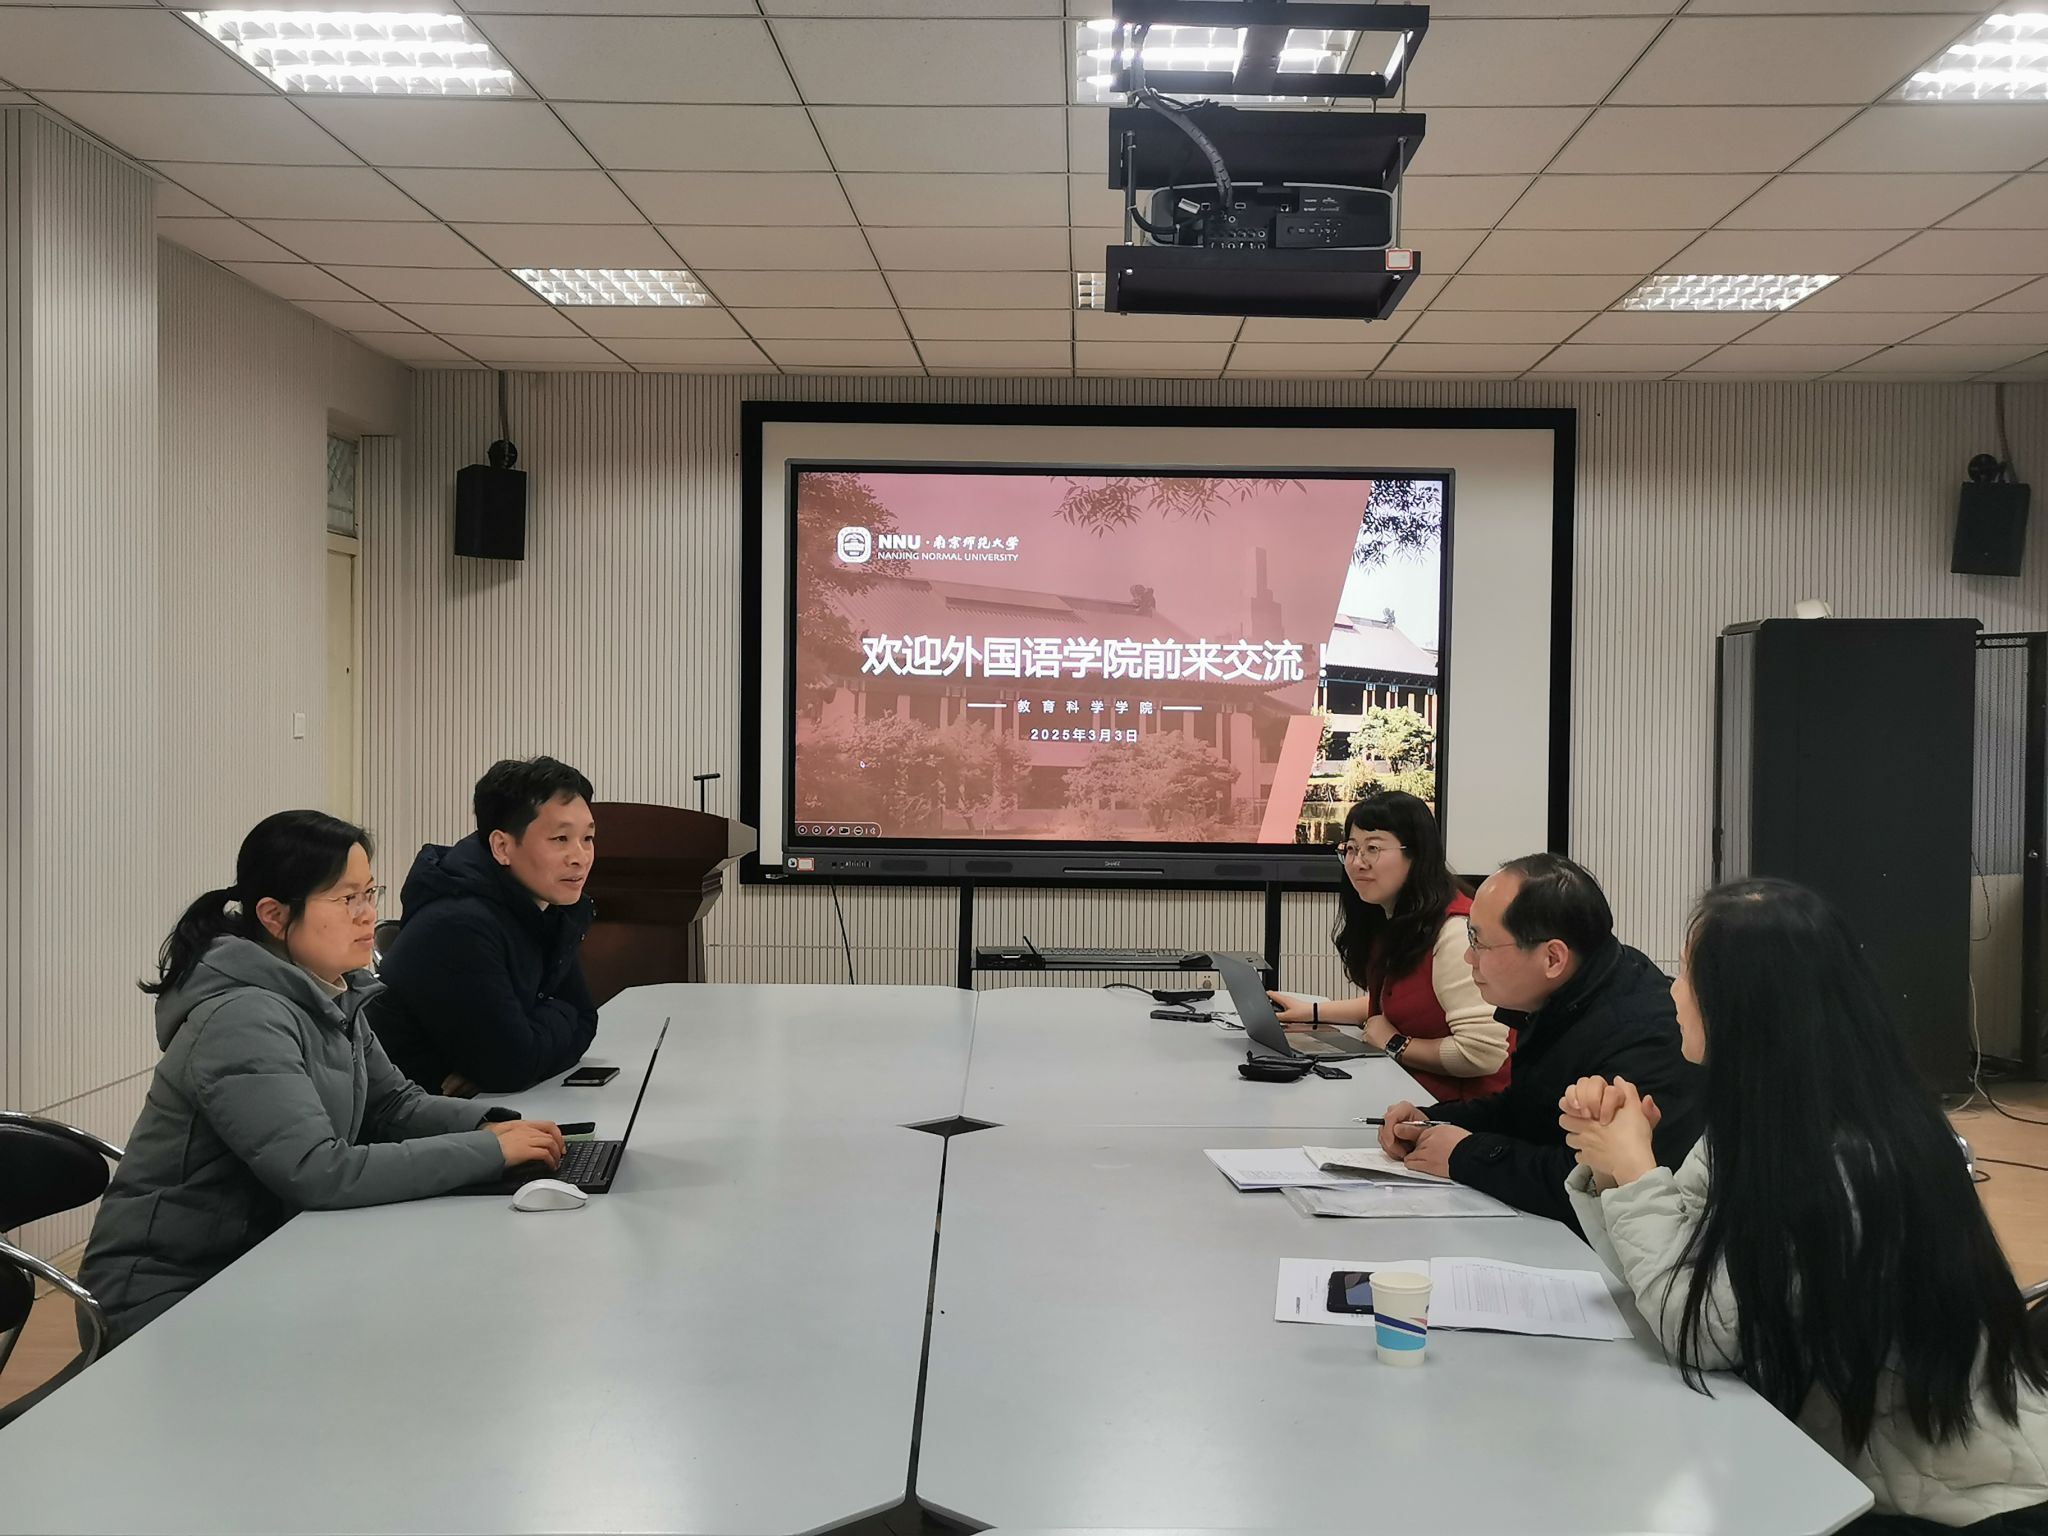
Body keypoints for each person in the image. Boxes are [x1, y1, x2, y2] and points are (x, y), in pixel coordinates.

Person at [1561, 880, 2048, 1531]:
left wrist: (1634, 1171)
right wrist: (1611, 1166)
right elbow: (1675, 1276)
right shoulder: (1773, 1113)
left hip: (1948, 1502)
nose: (1674, 991)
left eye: (1688, 974)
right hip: (1852, 1460)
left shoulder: (1846, 1157)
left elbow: (1697, 1331)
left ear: (1744, 1003)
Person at [78, 811, 564, 1346]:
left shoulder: (332, 992)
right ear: (274, 915)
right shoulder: (242, 1017)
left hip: (262, 1260)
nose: (367, 914)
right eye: (346, 898)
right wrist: (488, 1152)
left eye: (370, 893)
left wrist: (494, 1126)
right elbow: (318, 1171)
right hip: (167, 1293)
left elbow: (394, 1105)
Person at [1374, 852, 1701, 1228]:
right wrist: (1430, 1121)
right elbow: (1529, 1109)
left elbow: (1586, 1181)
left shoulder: (1642, 1035)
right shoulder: (1571, 990)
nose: (1468, 957)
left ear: (1552, 958)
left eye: (1478, 942)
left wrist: (1465, 1155)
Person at [373, 757, 599, 1095]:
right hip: (411, 1116)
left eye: (588, 838)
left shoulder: (543, 907)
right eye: (560, 839)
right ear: (502, 847)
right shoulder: (458, 925)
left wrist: (512, 1055)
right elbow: (514, 1065)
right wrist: (514, 1056)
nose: (580, 857)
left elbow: (585, 1019)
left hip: (471, 1109)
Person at [1268, 791, 1509, 1101]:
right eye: (1351, 849)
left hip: (1455, 1112)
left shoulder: (1454, 933)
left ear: (1417, 854)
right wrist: (1311, 1011)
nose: (1357, 863)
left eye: (1373, 849)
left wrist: (1394, 1043)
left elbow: (1482, 1053)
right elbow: (1398, 1006)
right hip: (1404, 1093)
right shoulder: (1395, 919)